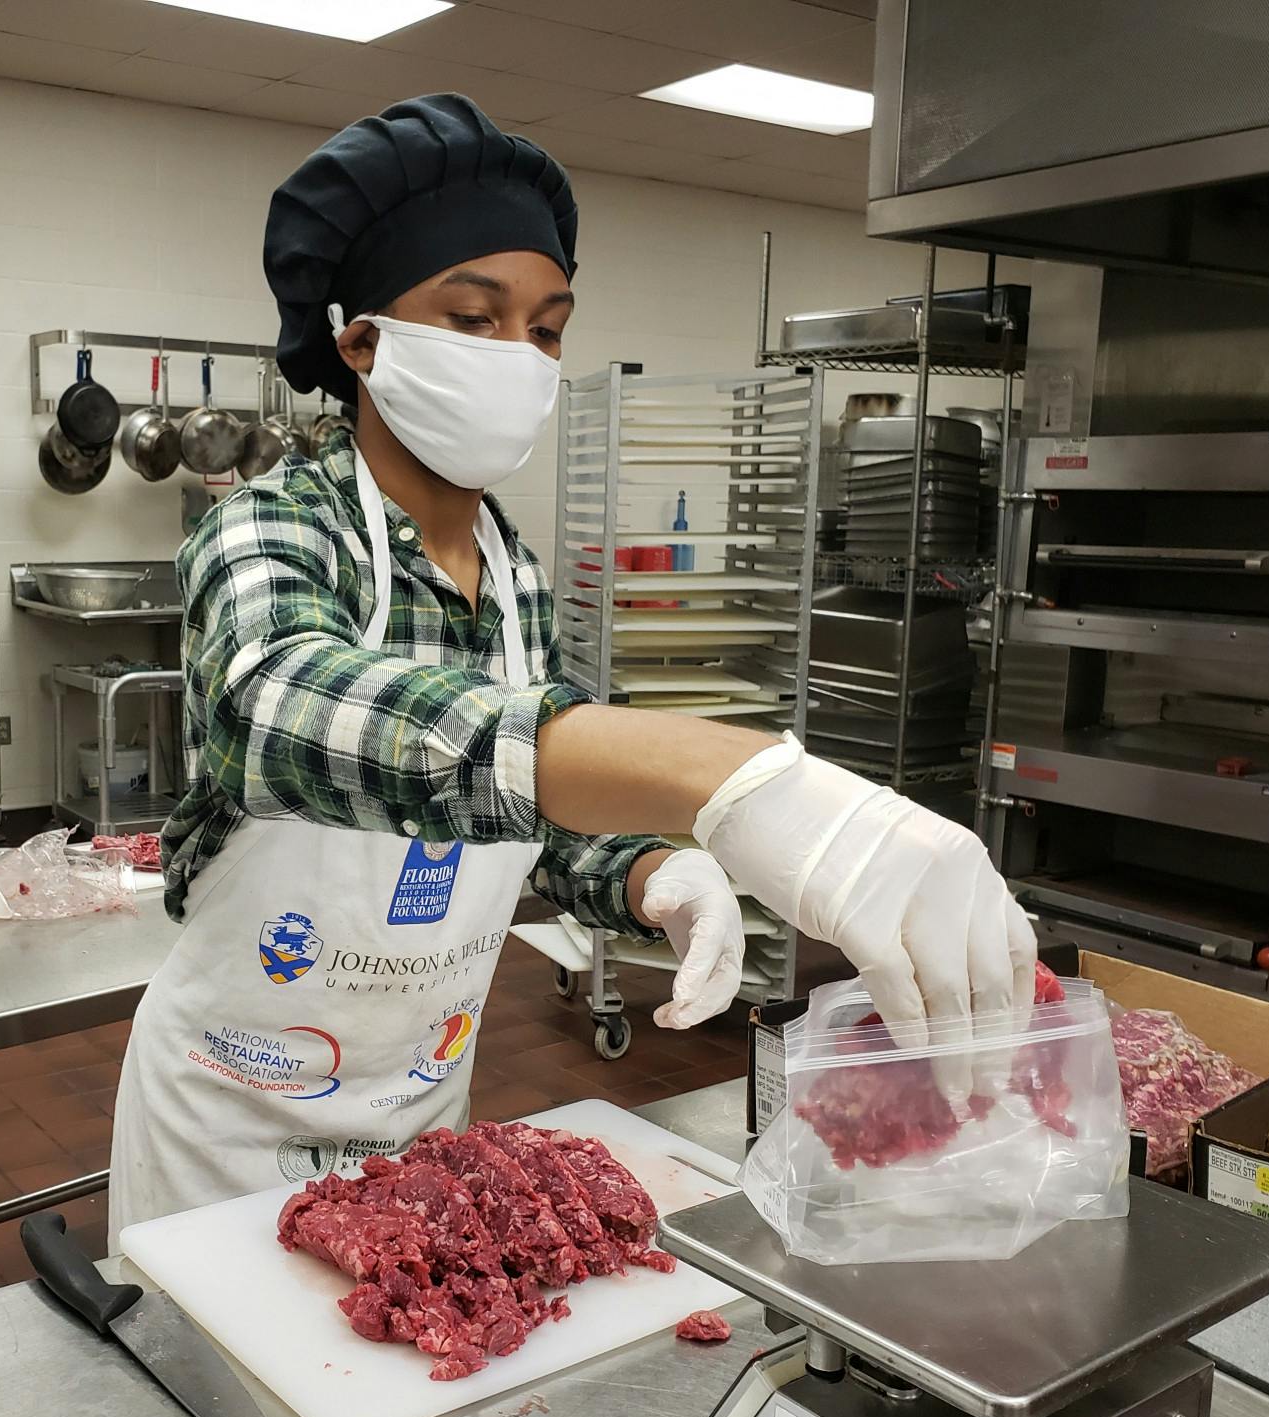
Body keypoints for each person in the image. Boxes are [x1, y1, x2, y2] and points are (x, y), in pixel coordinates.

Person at [107, 95, 1035, 1245]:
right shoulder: (273, 530)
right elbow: (278, 708)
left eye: (544, 330)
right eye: (472, 317)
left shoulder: (513, 571)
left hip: (419, 1103)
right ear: (359, 341)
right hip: (230, 1121)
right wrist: (729, 777)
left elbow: (517, 811)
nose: (520, 360)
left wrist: (646, 871)